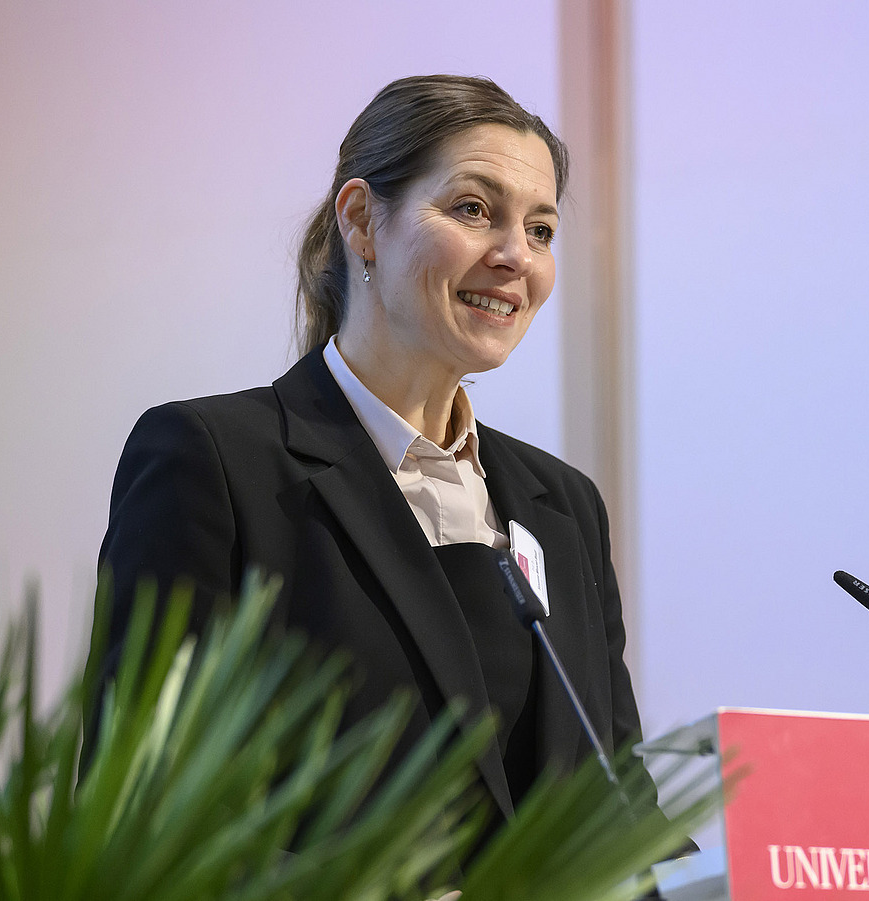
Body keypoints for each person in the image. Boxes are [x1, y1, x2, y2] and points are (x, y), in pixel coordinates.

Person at [95, 74, 647, 821]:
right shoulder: (214, 463)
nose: (517, 255)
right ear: (361, 220)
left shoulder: (566, 506)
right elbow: (140, 811)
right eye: (474, 209)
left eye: (542, 229)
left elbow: (623, 814)